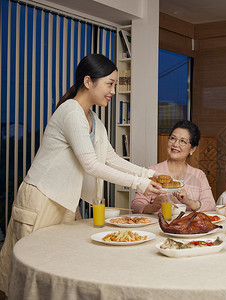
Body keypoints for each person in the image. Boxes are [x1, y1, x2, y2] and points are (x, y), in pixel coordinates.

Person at [0, 54, 165, 295]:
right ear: (88, 81)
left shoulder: (94, 120)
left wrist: (148, 174)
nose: (112, 91)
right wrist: (139, 183)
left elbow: (110, 157)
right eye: (109, 84)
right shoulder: (70, 112)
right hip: (41, 198)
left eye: (115, 85)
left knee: (61, 268)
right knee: (30, 270)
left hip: (65, 201)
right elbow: (91, 165)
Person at [132, 120, 216, 213]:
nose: (175, 144)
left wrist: (190, 202)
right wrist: (152, 207)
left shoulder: (198, 175)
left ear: (192, 149)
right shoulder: (151, 171)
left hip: (187, 226)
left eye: (183, 141)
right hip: (157, 225)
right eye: (173, 138)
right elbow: (136, 206)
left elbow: (211, 205)